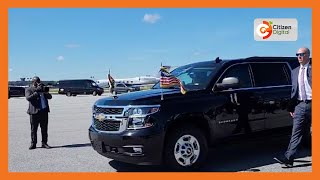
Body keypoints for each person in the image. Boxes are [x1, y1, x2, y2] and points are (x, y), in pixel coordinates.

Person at [274, 47, 312, 168]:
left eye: (302, 54)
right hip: (300, 105)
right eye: (297, 54)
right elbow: (294, 91)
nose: (299, 56)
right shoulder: (295, 71)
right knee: (296, 131)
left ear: (308, 55)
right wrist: (291, 107)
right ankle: (288, 158)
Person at [25, 76, 52, 150]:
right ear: (33, 82)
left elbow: (50, 97)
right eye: (37, 81)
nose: (38, 83)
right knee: (34, 129)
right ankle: (33, 143)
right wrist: (37, 92)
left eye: (39, 81)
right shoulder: (29, 89)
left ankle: (44, 143)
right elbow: (28, 98)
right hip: (34, 112)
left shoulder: (43, 89)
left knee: (44, 128)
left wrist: (45, 92)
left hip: (44, 111)